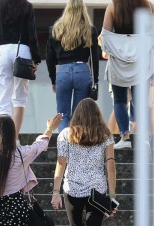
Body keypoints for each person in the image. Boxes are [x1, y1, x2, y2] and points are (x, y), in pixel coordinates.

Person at [51, 99, 117, 226]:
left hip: (72, 190)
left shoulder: (65, 134)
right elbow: (110, 165)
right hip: (97, 192)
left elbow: (61, 164)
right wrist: (112, 196)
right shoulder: (105, 134)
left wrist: (55, 191)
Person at [101, 0, 154, 149]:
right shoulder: (147, 5)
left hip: (118, 61)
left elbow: (105, 34)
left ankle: (124, 137)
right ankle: (144, 138)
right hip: (141, 61)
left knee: (119, 100)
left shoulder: (113, 6)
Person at [0, 0, 41, 134]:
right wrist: (36, 59)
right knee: (20, 98)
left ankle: (2, 139)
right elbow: (32, 35)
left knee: (2, 98)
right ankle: (14, 138)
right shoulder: (27, 6)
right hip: (22, 51)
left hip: (2, 50)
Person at [47, 0, 101, 130]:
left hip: (63, 71)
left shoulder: (56, 29)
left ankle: (64, 146)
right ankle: (77, 146)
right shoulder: (90, 30)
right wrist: (95, 81)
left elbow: (50, 58)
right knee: (79, 115)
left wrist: (53, 80)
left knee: (62, 114)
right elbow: (94, 59)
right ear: (83, 10)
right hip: (82, 70)